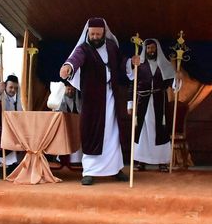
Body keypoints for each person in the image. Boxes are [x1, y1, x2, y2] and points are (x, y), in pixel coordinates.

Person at [59, 17, 133, 185]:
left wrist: (131, 63)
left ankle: (115, 168)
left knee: (113, 132)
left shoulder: (111, 47)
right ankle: (90, 171)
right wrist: (68, 66)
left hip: (111, 97)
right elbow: (75, 59)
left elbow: (121, 62)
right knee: (92, 132)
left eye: (98, 34)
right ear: (88, 33)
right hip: (92, 100)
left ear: (104, 33)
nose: (94, 37)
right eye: (92, 34)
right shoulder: (84, 49)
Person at [127, 39, 176, 172]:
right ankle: (141, 161)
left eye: (153, 48)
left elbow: (172, 83)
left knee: (160, 130)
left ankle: (161, 161)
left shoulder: (164, 65)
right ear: (145, 49)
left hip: (159, 102)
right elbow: (132, 84)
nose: (151, 50)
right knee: (142, 131)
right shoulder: (139, 65)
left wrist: (177, 78)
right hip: (143, 102)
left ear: (157, 49)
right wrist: (130, 104)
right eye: (148, 48)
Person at [57, 80, 83, 165]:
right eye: (68, 89)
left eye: (72, 90)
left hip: (77, 127)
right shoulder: (60, 100)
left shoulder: (78, 100)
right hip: (65, 127)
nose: (70, 91)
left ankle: (77, 161)